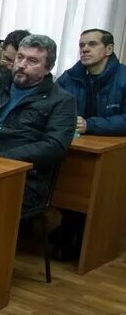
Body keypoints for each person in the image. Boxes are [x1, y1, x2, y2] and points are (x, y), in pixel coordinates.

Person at [0, 34, 76, 212]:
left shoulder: (62, 101)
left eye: (32, 61)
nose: (21, 65)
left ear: (48, 68)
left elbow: (55, 145)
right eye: (20, 57)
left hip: (23, 177)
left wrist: (0, 160)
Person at [49, 28, 126, 260]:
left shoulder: (123, 78)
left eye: (92, 44)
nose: (84, 49)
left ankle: (84, 234)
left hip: (114, 154)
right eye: (82, 44)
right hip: (75, 148)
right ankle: (70, 225)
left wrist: (91, 125)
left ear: (109, 50)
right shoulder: (70, 77)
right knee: (68, 184)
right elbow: (54, 104)